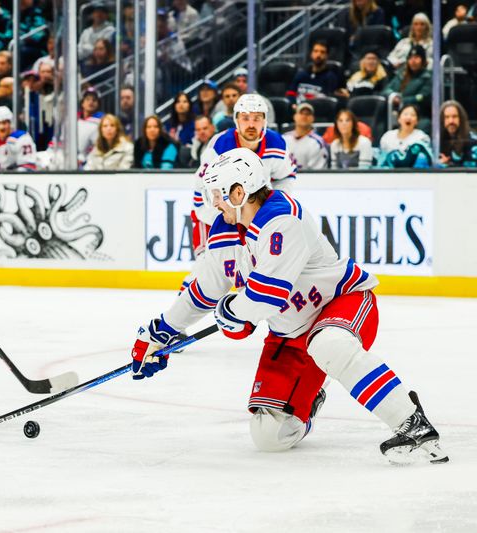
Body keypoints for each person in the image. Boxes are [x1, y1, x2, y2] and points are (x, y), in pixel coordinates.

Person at [129, 147, 448, 465]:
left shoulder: (283, 219)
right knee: (269, 437)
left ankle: (411, 422)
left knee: (328, 343)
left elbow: (265, 298)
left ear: (239, 192)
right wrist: (160, 333)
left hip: (343, 303)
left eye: (217, 194)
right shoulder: (226, 230)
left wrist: (232, 312)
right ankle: (310, 395)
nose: (212, 202)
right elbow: (202, 292)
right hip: (291, 334)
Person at [193, 93, 296, 263]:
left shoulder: (277, 144)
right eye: (245, 118)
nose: (250, 124)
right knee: (207, 269)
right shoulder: (219, 146)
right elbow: (201, 194)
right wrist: (228, 218)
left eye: (257, 118)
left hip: (250, 216)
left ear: (265, 121)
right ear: (236, 120)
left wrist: (267, 209)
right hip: (216, 214)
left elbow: (286, 176)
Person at [286, 40, 345, 104]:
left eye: (322, 52)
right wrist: (293, 104)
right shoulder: (301, 74)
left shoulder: (331, 78)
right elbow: (291, 93)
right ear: (311, 54)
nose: (318, 55)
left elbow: (328, 102)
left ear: (327, 55)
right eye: (315, 51)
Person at [382, 45, 431, 118]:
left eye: (416, 57)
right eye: (410, 58)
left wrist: (401, 100)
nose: (413, 61)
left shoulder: (428, 77)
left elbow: (421, 97)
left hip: (418, 114)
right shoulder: (401, 74)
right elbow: (386, 90)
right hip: (397, 112)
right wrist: (393, 96)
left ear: (423, 60)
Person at [378, 103, 432, 168]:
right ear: (399, 119)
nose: (409, 117)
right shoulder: (388, 136)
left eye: (413, 115)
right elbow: (381, 159)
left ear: (417, 121)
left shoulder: (422, 137)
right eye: (405, 114)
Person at [0, 106, 37, 171]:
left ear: (11, 123)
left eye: (4, 123)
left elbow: (28, 167)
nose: (1, 127)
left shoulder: (22, 138)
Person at [282, 102, 329, 170]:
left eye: (307, 114)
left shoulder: (318, 143)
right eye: (301, 113)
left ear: (313, 118)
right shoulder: (283, 139)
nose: (304, 116)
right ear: (294, 116)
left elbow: (317, 173)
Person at [438, 100, 477, 168]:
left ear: (461, 119)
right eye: (447, 117)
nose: (451, 121)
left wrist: (449, 166)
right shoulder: (437, 141)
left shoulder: (473, 141)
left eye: (454, 116)